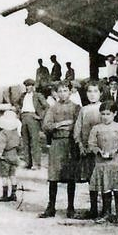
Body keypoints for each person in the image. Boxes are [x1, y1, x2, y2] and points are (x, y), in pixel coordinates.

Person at [39, 81, 81, 218]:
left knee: (70, 176)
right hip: (57, 144)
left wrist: (67, 126)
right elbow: (46, 126)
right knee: (53, 176)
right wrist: (61, 124)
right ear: (56, 93)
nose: (63, 93)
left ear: (70, 92)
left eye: (65, 90)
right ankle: (51, 207)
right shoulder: (52, 108)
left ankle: (71, 208)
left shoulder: (76, 108)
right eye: (60, 91)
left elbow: (77, 126)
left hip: (70, 144)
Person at [87, 101, 118, 223]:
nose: (105, 117)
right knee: (105, 187)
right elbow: (91, 144)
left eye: (108, 114)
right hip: (102, 163)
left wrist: (117, 150)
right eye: (103, 114)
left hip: (116, 162)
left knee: (116, 188)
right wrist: (98, 151)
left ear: (115, 114)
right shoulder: (96, 128)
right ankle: (106, 213)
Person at [73, 81, 105, 219]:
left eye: (95, 91)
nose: (92, 94)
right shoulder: (83, 110)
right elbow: (78, 129)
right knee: (91, 179)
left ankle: (106, 210)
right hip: (87, 149)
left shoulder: (104, 108)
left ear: (101, 93)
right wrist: (80, 145)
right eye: (89, 91)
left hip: (101, 150)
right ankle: (93, 209)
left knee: (103, 179)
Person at [16, 79, 46, 170]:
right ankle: (27, 162)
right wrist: (19, 111)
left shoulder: (38, 95)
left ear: (33, 86)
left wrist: (40, 116)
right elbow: (16, 103)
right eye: (26, 86)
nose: (27, 88)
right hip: (24, 117)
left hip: (33, 118)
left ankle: (36, 164)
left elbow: (46, 106)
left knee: (34, 142)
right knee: (25, 141)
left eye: (29, 86)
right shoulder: (23, 96)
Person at [0, 110, 22, 202]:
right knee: (12, 175)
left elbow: (1, 145)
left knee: (4, 176)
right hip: (14, 155)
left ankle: (5, 195)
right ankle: (13, 194)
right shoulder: (16, 132)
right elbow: (20, 144)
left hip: (5, 156)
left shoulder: (3, 133)